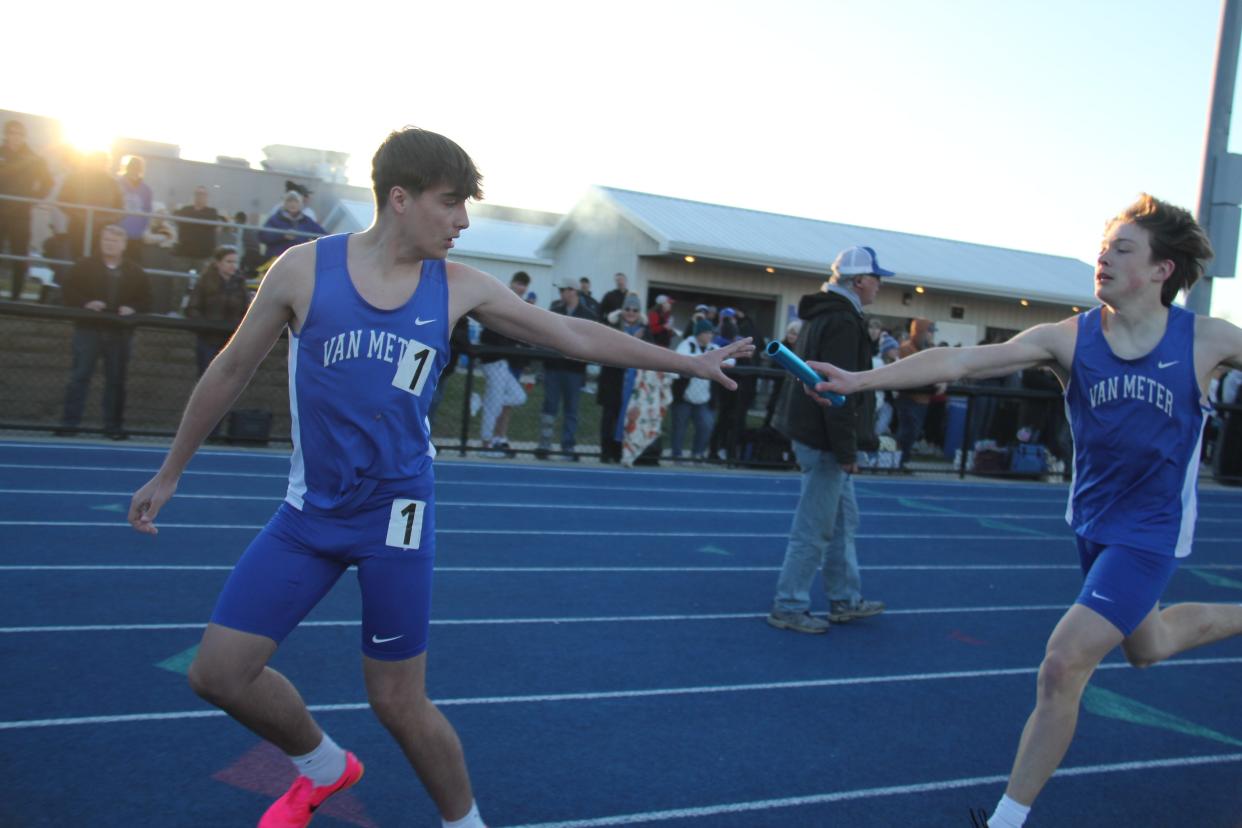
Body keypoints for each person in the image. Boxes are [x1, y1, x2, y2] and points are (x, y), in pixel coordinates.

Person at [125, 127, 754, 828]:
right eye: (450, 203)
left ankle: (465, 823)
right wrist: (171, 470)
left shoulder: (457, 287)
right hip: (308, 516)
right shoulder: (302, 271)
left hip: (395, 517)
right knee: (216, 674)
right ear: (400, 199)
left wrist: (690, 362)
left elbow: (573, 336)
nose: (462, 221)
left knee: (396, 701)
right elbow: (231, 368)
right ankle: (323, 765)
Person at [803, 194, 1242, 828]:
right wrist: (859, 379)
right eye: (1103, 247)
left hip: (1151, 533)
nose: (1103, 257)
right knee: (1151, 645)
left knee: (1063, 662)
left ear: (1161, 269)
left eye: (1122, 249)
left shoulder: (1205, 340)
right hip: (1092, 527)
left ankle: (1006, 819)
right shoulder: (1068, 338)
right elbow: (960, 360)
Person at [767, 245, 889, 634]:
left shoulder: (825, 316)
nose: (879, 286)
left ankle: (845, 598)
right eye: (876, 278)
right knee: (816, 525)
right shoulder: (843, 321)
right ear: (858, 281)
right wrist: (846, 448)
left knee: (840, 522)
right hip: (824, 440)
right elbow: (838, 394)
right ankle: (789, 604)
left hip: (816, 435)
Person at [57, 224, 151, 439]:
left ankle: (113, 427)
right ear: (101, 241)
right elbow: (68, 290)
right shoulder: (84, 265)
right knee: (79, 377)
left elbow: (147, 299)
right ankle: (69, 425)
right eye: (106, 240)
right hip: (88, 330)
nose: (110, 244)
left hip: (119, 334)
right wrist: (86, 303)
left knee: (116, 381)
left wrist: (133, 308)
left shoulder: (135, 271)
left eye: (115, 241)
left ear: (124, 244)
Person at [536, 277, 598, 459]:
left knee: (571, 410)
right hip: (553, 367)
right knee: (549, 407)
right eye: (560, 290)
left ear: (573, 291)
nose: (561, 293)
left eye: (563, 290)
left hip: (575, 370)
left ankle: (568, 446)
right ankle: (545, 445)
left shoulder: (588, 316)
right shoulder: (554, 312)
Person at [476, 274, 532, 456]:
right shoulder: (502, 299)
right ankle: (485, 444)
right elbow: (493, 330)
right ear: (512, 283)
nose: (521, 287)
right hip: (492, 359)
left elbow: (519, 334)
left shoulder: (520, 305)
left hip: (504, 361)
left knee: (519, 396)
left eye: (524, 285)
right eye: (518, 283)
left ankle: (480, 402)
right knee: (495, 405)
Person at [0, 118, 54, 300]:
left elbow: (48, 182)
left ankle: (15, 298)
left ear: (24, 136)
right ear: (5, 135)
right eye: (11, 133)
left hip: (20, 216)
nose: (15, 137)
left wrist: (32, 198)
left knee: (19, 256)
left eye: (19, 133)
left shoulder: (33, 158)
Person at [184, 245, 249, 375]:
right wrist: (204, 325)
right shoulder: (204, 282)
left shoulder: (240, 284)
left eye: (235, 262)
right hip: (208, 339)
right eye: (229, 261)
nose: (233, 266)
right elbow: (192, 307)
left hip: (230, 340)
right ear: (218, 263)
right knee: (206, 375)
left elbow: (245, 310)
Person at [598, 293, 647, 463]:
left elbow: (651, 354)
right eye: (627, 308)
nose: (631, 312)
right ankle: (606, 452)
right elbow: (607, 349)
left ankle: (622, 452)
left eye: (635, 309)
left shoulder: (645, 331)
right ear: (622, 310)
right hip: (613, 380)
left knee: (629, 418)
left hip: (635, 385)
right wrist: (633, 341)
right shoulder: (612, 326)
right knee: (609, 417)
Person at [893, 317, 941, 467]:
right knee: (907, 432)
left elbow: (941, 368)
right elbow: (916, 371)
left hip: (923, 400)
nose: (931, 335)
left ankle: (902, 461)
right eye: (929, 332)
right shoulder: (906, 348)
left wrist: (942, 379)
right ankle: (898, 462)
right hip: (908, 398)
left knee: (913, 432)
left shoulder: (930, 349)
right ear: (919, 332)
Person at [58, 150, 123, 259]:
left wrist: (106, 220)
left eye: (104, 161)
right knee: (77, 260)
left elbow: (120, 208)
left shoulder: (113, 184)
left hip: (102, 231)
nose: (100, 164)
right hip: (78, 227)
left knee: (97, 263)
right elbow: (62, 200)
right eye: (97, 160)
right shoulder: (74, 178)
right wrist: (79, 216)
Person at [671, 318, 720, 462]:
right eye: (706, 332)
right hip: (684, 396)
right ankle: (676, 455)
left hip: (704, 398)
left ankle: (697, 454)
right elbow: (681, 358)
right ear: (698, 333)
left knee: (706, 426)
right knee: (679, 427)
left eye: (711, 333)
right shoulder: (687, 344)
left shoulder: (713, 348)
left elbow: (729, 360)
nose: (709, 336)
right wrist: (700, 360)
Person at [259, 191, 327, 262]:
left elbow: (322, 235)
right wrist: (282, 236)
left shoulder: (307, 221)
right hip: (277, 259)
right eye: (289, 201)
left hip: (299, 259)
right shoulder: (275, 219)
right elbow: (263, 236)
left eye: (296, 201)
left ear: (300, 204)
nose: (292, 204)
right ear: (284, 204)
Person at [174, 185, 226, 268]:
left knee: (205, 279)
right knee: (181, 279)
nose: (200, 196)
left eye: (203, 194)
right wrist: (201, 221)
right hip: (184, 253)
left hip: (204, 255)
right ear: (194, 195)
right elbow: (178, 218)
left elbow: (211, 220)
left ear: (206, 196)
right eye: (198, 193)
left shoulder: (212, 212)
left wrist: (190, 219)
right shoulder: (185, 209)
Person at [116, 155, 153, 265]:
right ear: (127, 167)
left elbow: (147, 211)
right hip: (118, 233)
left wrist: (142, 230)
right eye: (132, 166)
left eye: (137, 167)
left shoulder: (146, 190)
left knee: (133, 265)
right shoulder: (116, 184)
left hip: (136, 236)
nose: (134, 169)